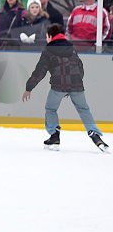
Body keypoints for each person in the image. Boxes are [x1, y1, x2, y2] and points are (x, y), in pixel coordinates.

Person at [22, 24, 109, 152]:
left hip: (58, 85)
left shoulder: (49, 49)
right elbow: (80, 66)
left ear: (51, 36)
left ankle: (54, 135)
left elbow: (40, 71)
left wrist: (29, 88)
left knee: (51, 108)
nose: (46, 39)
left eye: (47, 36)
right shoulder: (71, 47)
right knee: (84, 109)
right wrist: (76, 82)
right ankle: (95, 135)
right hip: (76, 84)